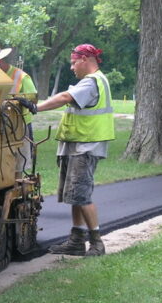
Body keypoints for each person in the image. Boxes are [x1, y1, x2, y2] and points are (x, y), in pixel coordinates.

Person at [34, 43, 114, 256]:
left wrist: (35, 107)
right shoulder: (96, 80)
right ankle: (76, 240)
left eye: (73, 62)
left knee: (82, 195)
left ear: (85, 59)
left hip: (85, 147)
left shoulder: (91, 82)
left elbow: (65, 98)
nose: (71, 67)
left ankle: (97, 243)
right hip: (78, 145)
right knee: (75, 196)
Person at [0, 41, 38, 175]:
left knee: (18, 164)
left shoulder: (21, 77)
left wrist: (19, 100)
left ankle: (17, 183)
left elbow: (33, 100)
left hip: (20, 126)